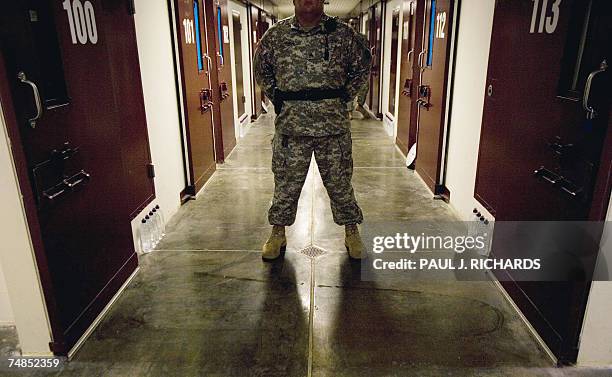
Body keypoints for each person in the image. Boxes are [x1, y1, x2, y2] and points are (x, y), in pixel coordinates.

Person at [254, 0, 372, 261]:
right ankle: (278, 233)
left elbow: (363, 67)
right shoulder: (276, 35)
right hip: (292, 128)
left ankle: (351, 231)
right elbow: (261, 71)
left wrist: (343, 98)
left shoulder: (342, 34)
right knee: (285, 185)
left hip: (333, 128)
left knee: (341, 184)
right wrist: (282, 100)